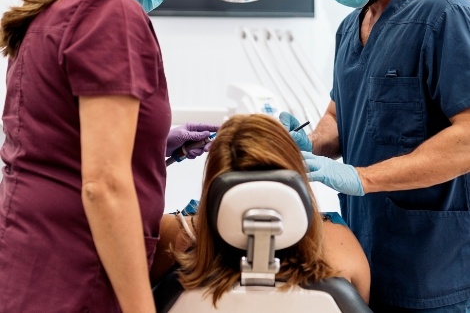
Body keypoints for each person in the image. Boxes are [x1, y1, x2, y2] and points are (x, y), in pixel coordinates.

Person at [0, 0, 218, 313]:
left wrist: (152, 144)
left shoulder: (54, 11)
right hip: (76, 264)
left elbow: (58, 136)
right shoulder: (110, 12)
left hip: (33, 257)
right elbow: (103, 184)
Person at [288, 0, 470, 312]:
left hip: (432, 271)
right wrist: (306, 144)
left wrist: (362, 178)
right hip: (365, 259)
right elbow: (340, 113)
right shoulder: (350, 28)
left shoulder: (445, 17)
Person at [152, 113, 371, 306]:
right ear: (294, 179)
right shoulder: (342, 246)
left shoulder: (168, 236)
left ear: (215, 183)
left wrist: (152, 155)